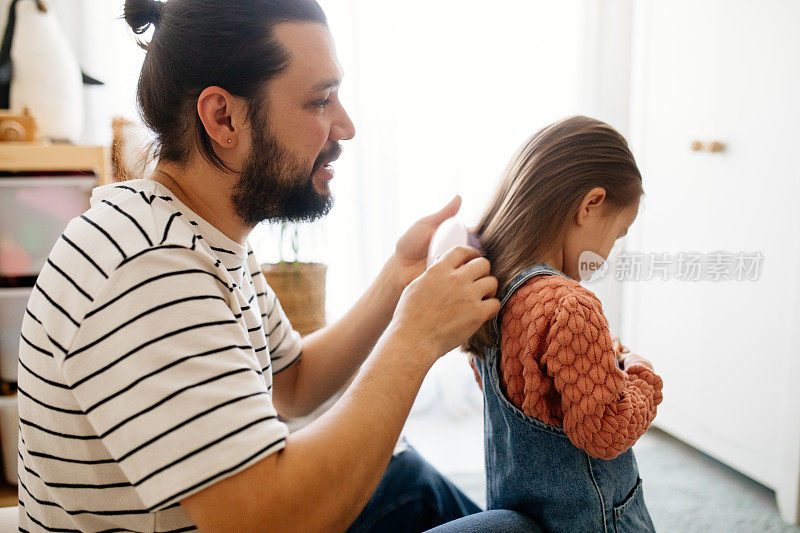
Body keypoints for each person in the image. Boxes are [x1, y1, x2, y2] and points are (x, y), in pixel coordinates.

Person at [15, 0, 545, 531]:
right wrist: (415, 340)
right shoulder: (149, 270)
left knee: (406, 478)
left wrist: (398, 279)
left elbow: (293, 382)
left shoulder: (202, 235)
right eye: (320, 101)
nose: (346, 126)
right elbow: (268, 521)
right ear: (223, 117)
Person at [463, 116, 664, 532]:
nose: (610, 251)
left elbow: (521, 387)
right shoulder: (570, 305)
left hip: (522, 517)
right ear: (590, 204)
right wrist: (641, 376)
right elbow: (606, 431)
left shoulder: (488, 285)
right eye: (618, 233)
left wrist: (594, 364)